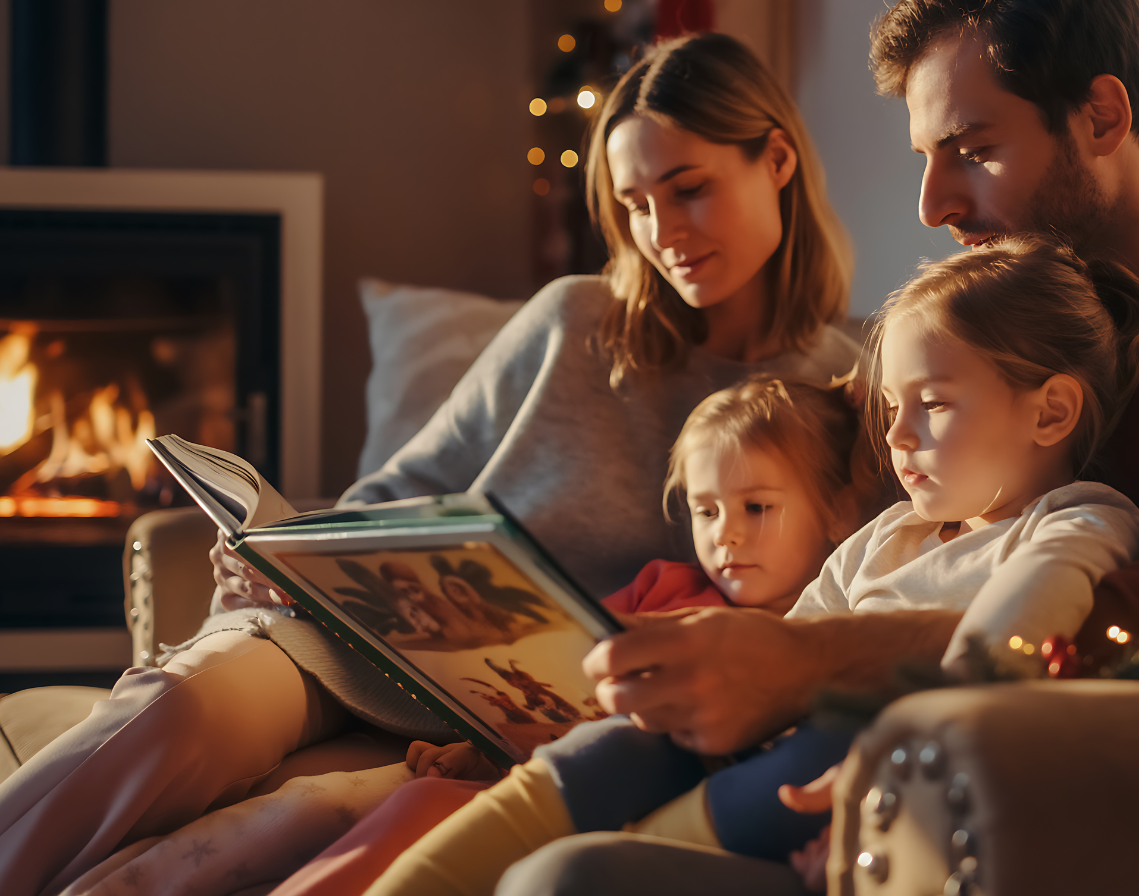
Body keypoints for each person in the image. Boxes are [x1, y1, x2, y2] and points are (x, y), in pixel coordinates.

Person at [509, 0, 1139, 893]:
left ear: (1103, 119)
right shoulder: (967, 341)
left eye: (973, 148)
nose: (932, 202)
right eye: (926, 154)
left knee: (565, 884)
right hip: (833, 763)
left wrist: (819, 660)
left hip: (1037, 802)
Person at [0, 32, 861, 896]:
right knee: (181, 703)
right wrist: (287, 552)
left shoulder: (841, 387)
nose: (663, 233)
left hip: (545, 725)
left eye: (688, 188)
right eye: (636, 205)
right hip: (378, 643)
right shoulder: (575, 322)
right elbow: (393, 497)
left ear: (774, 158)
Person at [361, 236, 1139, 896]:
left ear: (1051, 410)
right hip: (771, 750)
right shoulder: (888, 535)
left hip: (868, 774)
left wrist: (901, 746)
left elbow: (1023, 620)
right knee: (624, 743)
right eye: (890, 408)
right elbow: (789, 648)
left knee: (796, 759)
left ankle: (618, 847)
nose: (899, 436)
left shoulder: (1079, 518)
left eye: (935, 403)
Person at [261, 376, 875, 896]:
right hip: (533, 779)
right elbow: (547, 667)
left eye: (757, 508)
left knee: (427, 815)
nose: (726, 536)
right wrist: (482, 740)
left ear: (840, 511)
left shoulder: (819, 641)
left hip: (626, 814)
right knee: (408, 806)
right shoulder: (661, 587)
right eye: (706, 510)